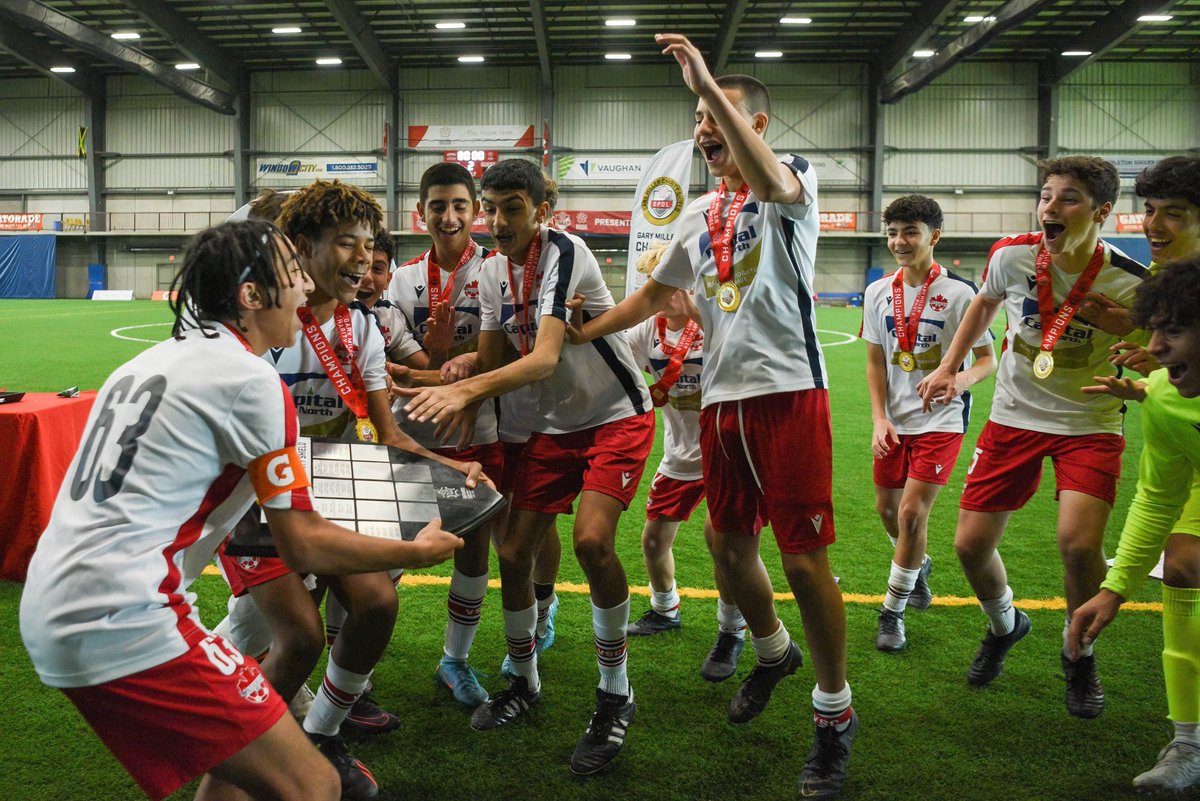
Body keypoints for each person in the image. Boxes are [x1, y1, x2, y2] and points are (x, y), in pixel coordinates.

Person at [18, 220, 463, 801]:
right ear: (251, 297)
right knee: (314, 786)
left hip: (61, 598)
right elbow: (303, 543)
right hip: (123, 614)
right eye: (292, 275)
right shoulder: (252, 381)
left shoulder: (145, 363)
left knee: (238, 771)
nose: (306, 287)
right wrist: (414, 550)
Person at [568, 33, 857, 800]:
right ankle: (772, 651)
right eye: (698, 114)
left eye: (721, 112)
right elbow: (654, 296)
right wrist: (585, 328)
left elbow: (771, 184)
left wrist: (706, 78)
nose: (704, 125)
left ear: (757, 125)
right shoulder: (699, 211)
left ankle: (834, 714)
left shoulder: (793, 178)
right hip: (724, 399)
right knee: (726, 545)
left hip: (791, 389)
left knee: (802, 557)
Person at [213, 180, 484, 801]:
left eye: (369, 245)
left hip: (327, 491)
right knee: (290, 635)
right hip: (255, 500)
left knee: (375, 605)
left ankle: (322, 734)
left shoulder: (362, 330)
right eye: (347, 244)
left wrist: (454, 468)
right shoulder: (260, 324)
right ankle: (226, 744)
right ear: (300, 249)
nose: (363, 259)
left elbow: (390, 435)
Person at [400, 158, 654, 776]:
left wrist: (466, 391)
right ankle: (523, 678)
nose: (496, 221)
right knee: (513, 555)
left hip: (617, 415)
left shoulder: (565, 250)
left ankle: (615, 693)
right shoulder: (490, 272)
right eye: (491, 208)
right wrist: (437, 377)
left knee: (592, 541)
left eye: (511, 208)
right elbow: (489, 357)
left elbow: (540, 359)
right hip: (553, 426)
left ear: (543, 211)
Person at [917, 156, 1148, 719]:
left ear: (1103, 212)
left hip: (1088, 422)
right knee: (969, 546)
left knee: (1077, 544)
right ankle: (1004, 626)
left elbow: (1163, 349)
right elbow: (985, 302)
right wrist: (950, 364)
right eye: (1046, 195)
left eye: (1068, 198)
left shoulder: (1131, 281)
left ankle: (1079, 653)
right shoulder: (1012, 254)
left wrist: (1132, 330)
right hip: (1014, 416)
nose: (1051, 207)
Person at [1069, 259, 1200, 793]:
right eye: (1154, 330)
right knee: (1185, 565)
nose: (1157, 348)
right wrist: (1115, 588)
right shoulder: (1167, 398)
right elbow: (1157, 499)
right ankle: (1189, 741)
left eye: (1174, 330)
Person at [382, 163, 503, 707]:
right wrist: (449, 363)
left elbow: (512, 357)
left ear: (475, 210)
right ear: (420, 212)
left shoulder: (500, 271)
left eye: (459, 204)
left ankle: (455, 660)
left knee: (472, 547)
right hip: (413, 431)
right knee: (388, 548)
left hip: (480, 431)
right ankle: (350, 662)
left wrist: (470, 369)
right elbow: (399, 370)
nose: (449, 216)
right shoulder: (400, 281)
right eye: (437, 205)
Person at [860, 195, 996, 651]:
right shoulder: (879, 292)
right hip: (894, 422)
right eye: (893, 232)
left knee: (912, 514)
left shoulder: (961, 294)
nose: (900, 242)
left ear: (934, 236)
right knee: (887, 512)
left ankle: (892, 612)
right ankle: (917, 565)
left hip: (940, 420)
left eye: (910, 232)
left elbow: (987, 360)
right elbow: (876, 362)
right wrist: (879, 418)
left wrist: (958, 382)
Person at [620, 241, 748, 683]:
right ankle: (664, 608)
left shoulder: (714, 321)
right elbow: (619, 363)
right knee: (654, 541)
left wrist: (697, 314)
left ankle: (732, 630)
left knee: (723, 544)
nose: (658, 292)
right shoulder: (646, 332)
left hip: (725, 452)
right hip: (678, 454)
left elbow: (744, 354)